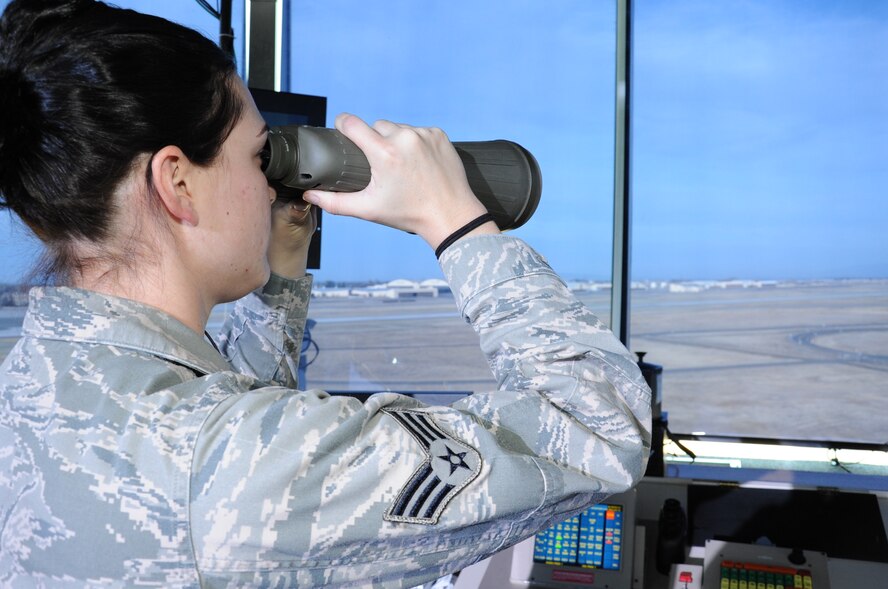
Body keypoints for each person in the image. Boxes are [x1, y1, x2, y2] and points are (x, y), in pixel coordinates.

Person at [0, 1, 651, 587]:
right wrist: (454, 219)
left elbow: (224, 419)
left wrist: (279, 269)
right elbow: (597, 428)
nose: (268, 183)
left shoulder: (27, 386)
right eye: (261, 157)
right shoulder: (222, 461)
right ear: (178, 183)